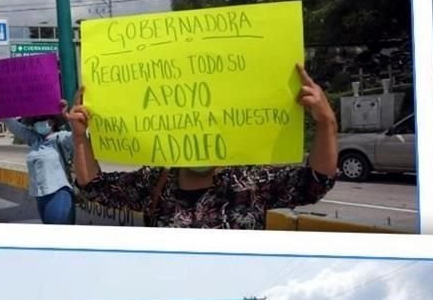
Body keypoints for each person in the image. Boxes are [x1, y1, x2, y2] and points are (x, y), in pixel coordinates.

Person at [61, 64, 339, 229]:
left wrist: (326, 122)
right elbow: (93, 186)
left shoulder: (252, 180)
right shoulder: (156, 181)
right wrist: (80, 138)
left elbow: (314, 184)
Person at [2, 114, 75, 224]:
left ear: (52, 122)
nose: (38, 122)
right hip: (40, 196)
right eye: (35, 120)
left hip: (58, 194)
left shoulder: (62, 138)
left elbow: (80, 135)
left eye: (41, 119)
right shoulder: (35, 140)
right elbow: (13, 125)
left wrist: (68, 117)